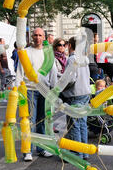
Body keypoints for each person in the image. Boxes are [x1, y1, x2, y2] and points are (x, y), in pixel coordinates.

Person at [15, 28, 53, 160]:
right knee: (29, 121)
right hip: (29, 89)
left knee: (42, 120)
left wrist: (54, 89)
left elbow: (52, 70)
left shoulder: (48, 52)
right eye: (35, 35)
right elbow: (19, 72)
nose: (37, 37)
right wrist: (17, 89)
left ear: (44, 38)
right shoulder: (25, 52)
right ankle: (28, 151)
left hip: (44, 90)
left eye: (40, 35)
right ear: (32, 37)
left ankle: (41, 148)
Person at [61, 36, 92, 160]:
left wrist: (61, 85)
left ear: (70, 45)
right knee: (82, 123)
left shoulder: (72, 59)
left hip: (74, 94)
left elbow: (71, 79)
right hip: (85, 92)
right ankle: (84, 152)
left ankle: (76, 153)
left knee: (73, 124)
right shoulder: (84, 59)